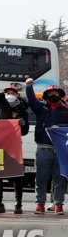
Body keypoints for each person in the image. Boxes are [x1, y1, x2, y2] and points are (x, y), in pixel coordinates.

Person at [0, 64, 29, 214]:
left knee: (17, 175)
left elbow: (24, 131)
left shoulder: (22, 109)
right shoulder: (0, 104)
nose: (10, 94)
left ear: (18, 95)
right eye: (8, 92)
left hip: (15, 147)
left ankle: (18, 204)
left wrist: (23, 125)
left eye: (13, 92)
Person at [24, 77, 68, 215]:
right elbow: (31, 100)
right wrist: (29, 86)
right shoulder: (41, 108)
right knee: (41, 178)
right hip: (43, 148)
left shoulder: (66, 110)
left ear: (60, 95)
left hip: (60, 150)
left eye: (56, 94)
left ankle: (59, 204)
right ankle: (40, 204)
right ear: (46, 96)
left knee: (60, 178)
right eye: (50, 94)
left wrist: (59, 127)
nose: (53, 96)